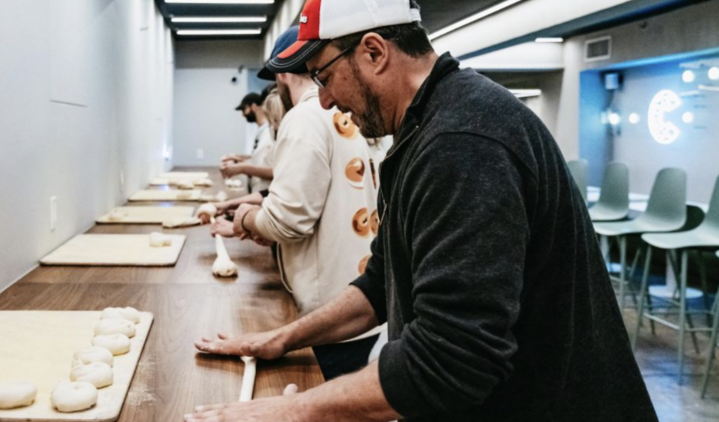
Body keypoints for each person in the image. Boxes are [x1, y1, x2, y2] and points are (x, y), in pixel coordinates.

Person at [187, 1, 658, 422]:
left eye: (324, 76)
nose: (325, 99)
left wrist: (292, 409)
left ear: (374, 51)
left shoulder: (462, 142)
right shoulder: (423, 130)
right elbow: (382, 282)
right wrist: (282, 338)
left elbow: (452, 359)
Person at [203, 26, 386, 381]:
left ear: (284, 73)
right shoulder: (344, 114)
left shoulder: (304, 117)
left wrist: (247, 218)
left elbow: (289, 220)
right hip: (361, 299)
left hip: (332, 308)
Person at [222, 87, 275, 193]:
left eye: (244, 109)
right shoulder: (262, 131)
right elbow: (260, 158)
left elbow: (273, 169)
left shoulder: (270, 133)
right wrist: (237, 159)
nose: (243, 114)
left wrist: (241, 168)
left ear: (254, 107)